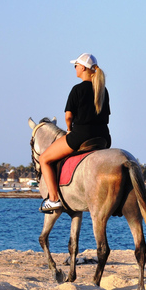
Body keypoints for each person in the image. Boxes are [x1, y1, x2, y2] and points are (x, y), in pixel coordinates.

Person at [39, 53, 111, 212]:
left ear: (83, 68)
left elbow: (68, 116)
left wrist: (70, 129)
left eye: (76, 66)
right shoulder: (103, 90)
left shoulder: (77, 89)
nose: (75, 68)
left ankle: (53, 199)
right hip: (104, 137)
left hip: (82, 135)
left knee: (44, 159)